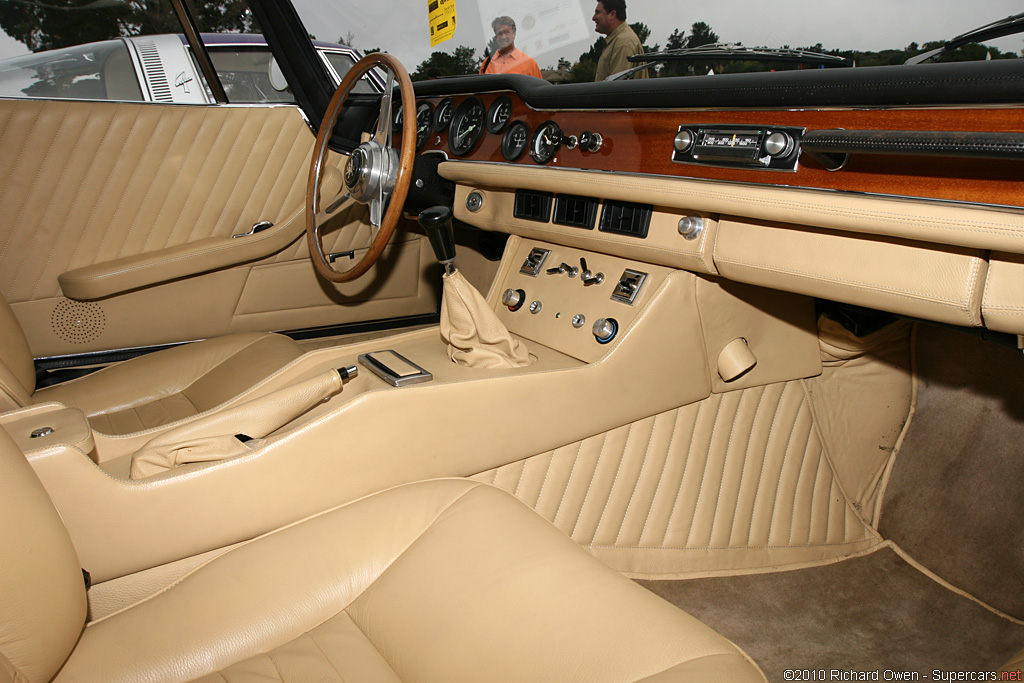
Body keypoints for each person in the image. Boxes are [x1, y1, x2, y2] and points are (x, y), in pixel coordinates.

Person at [592, 0, 648, 81]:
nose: (593, 18)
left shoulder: (623, 42)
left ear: (612, 14)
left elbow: (616, 89)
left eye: (598, 12)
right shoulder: (618, 41)